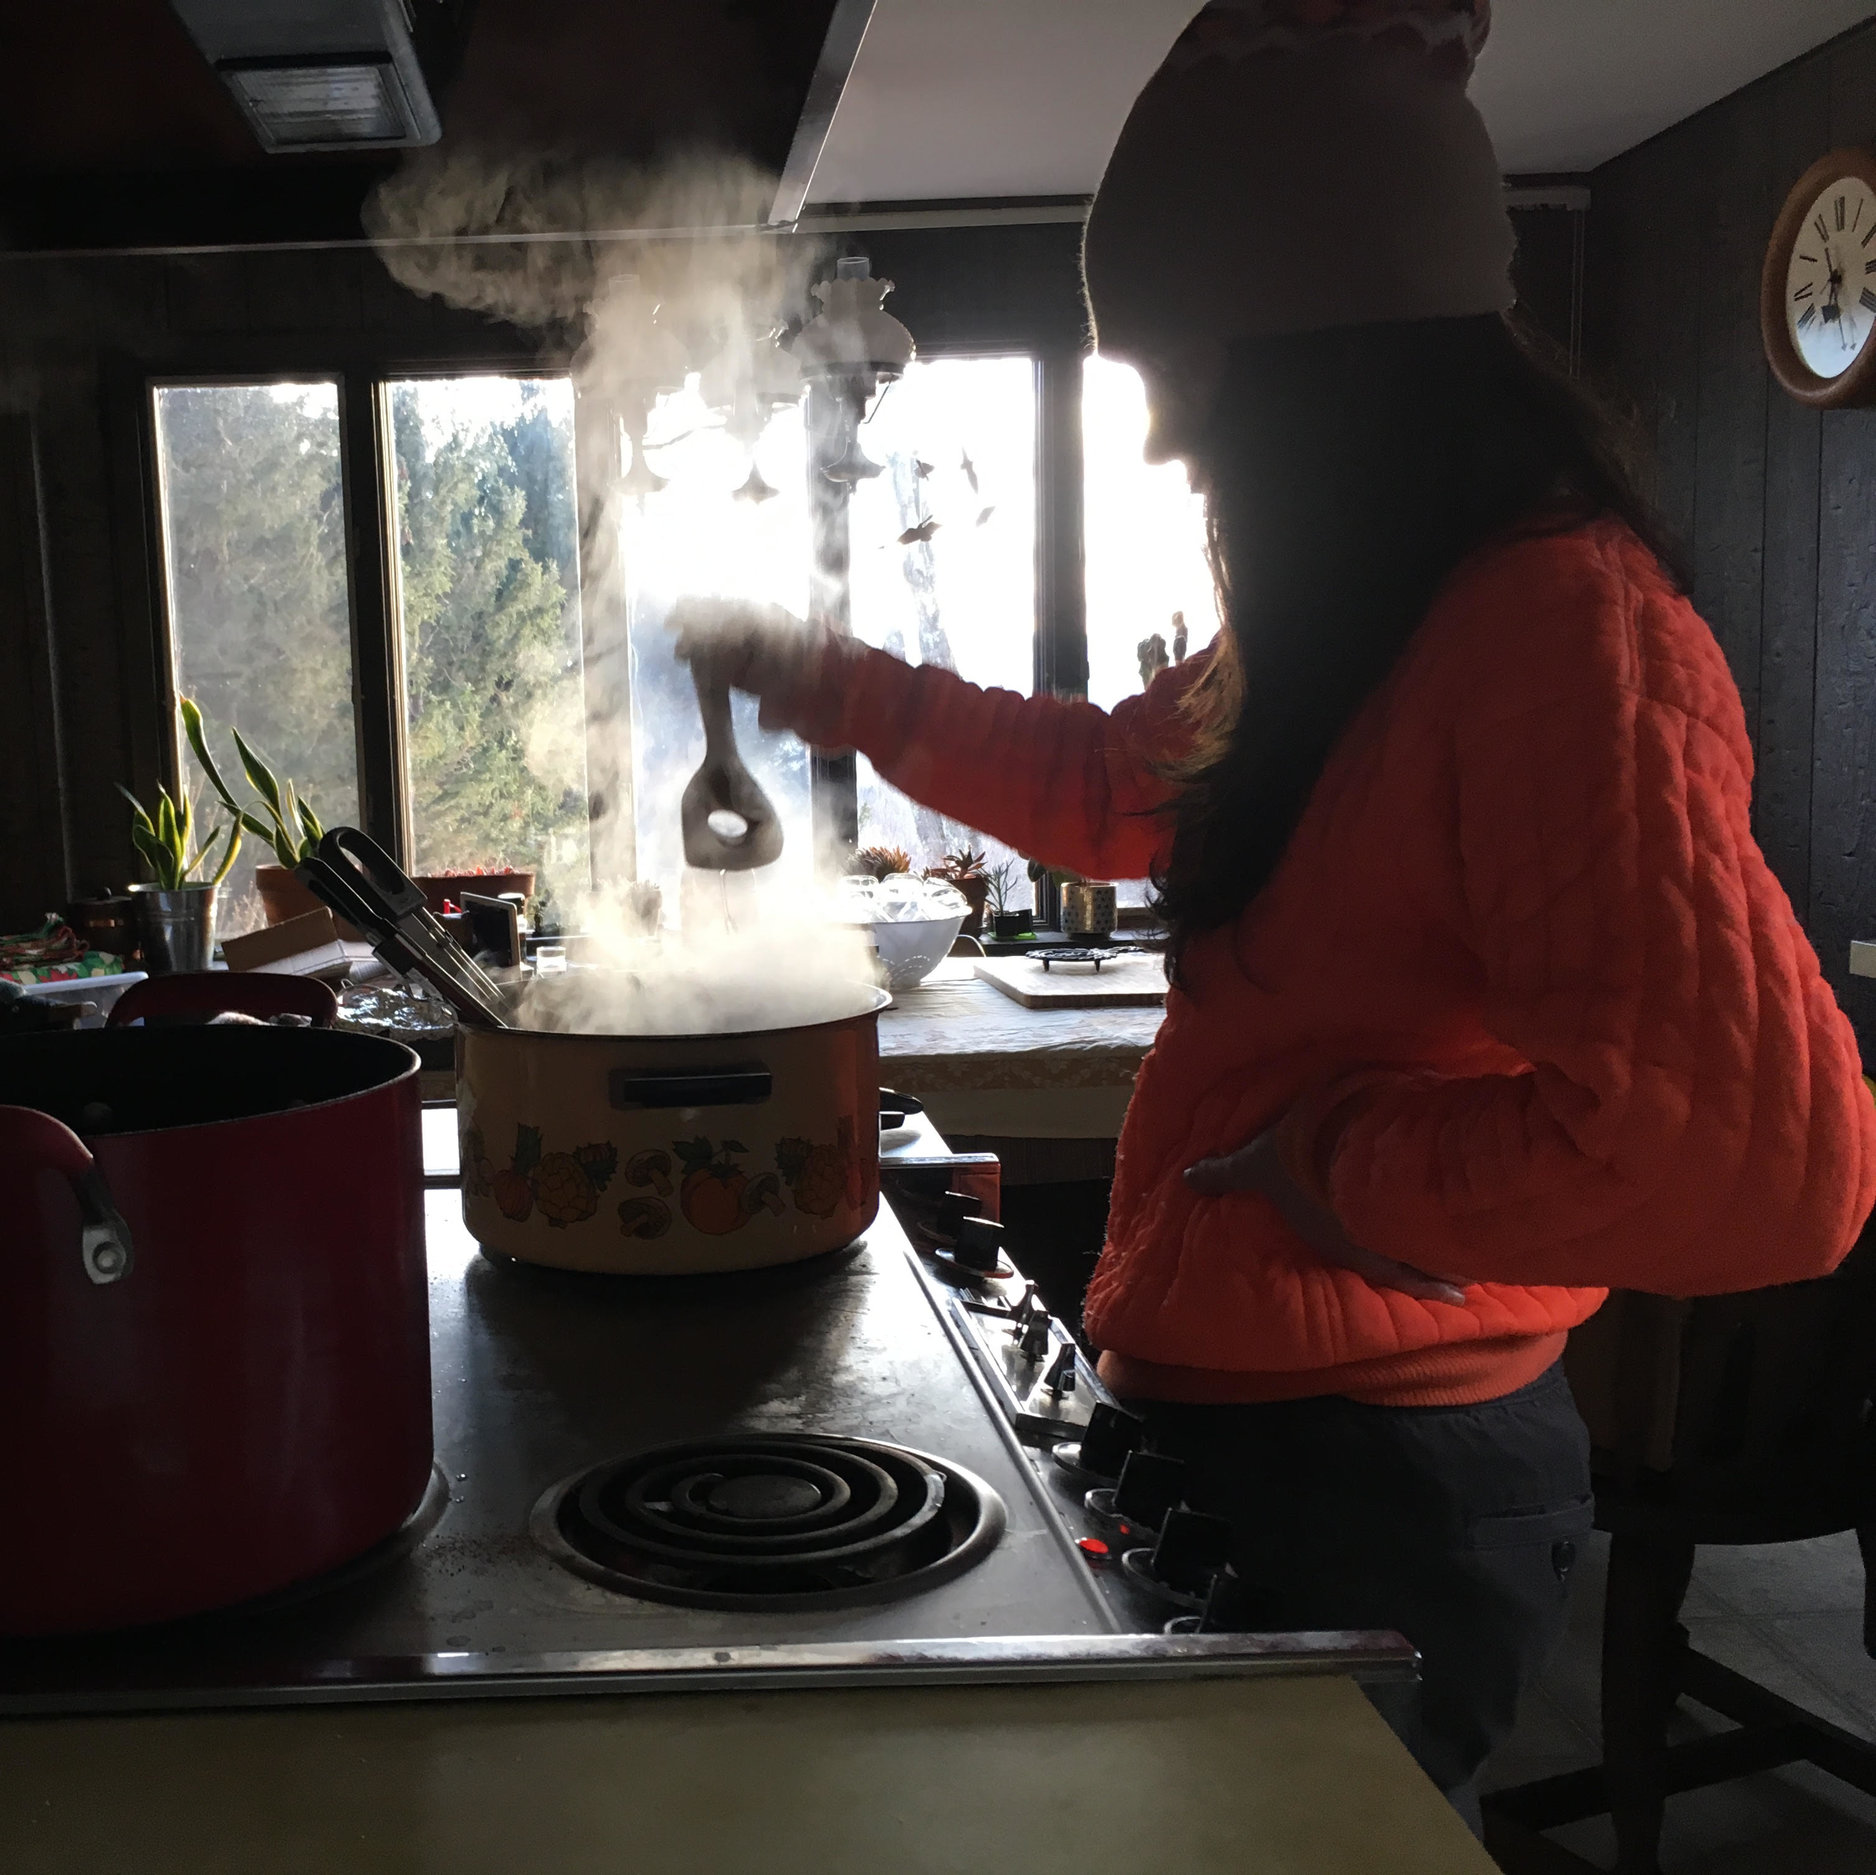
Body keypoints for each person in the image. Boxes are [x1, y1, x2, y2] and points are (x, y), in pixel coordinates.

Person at [676, 0, 1876, 1824]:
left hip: (1384, 1477)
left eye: (1175, 377)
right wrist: (823, 679)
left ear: (1323, 365)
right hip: (1269, 1445)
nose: (1164, 448)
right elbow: (1104, 786)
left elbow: (1766, 1165)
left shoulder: (1561, 637)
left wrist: (1348, 1171)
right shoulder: (1366, 627)